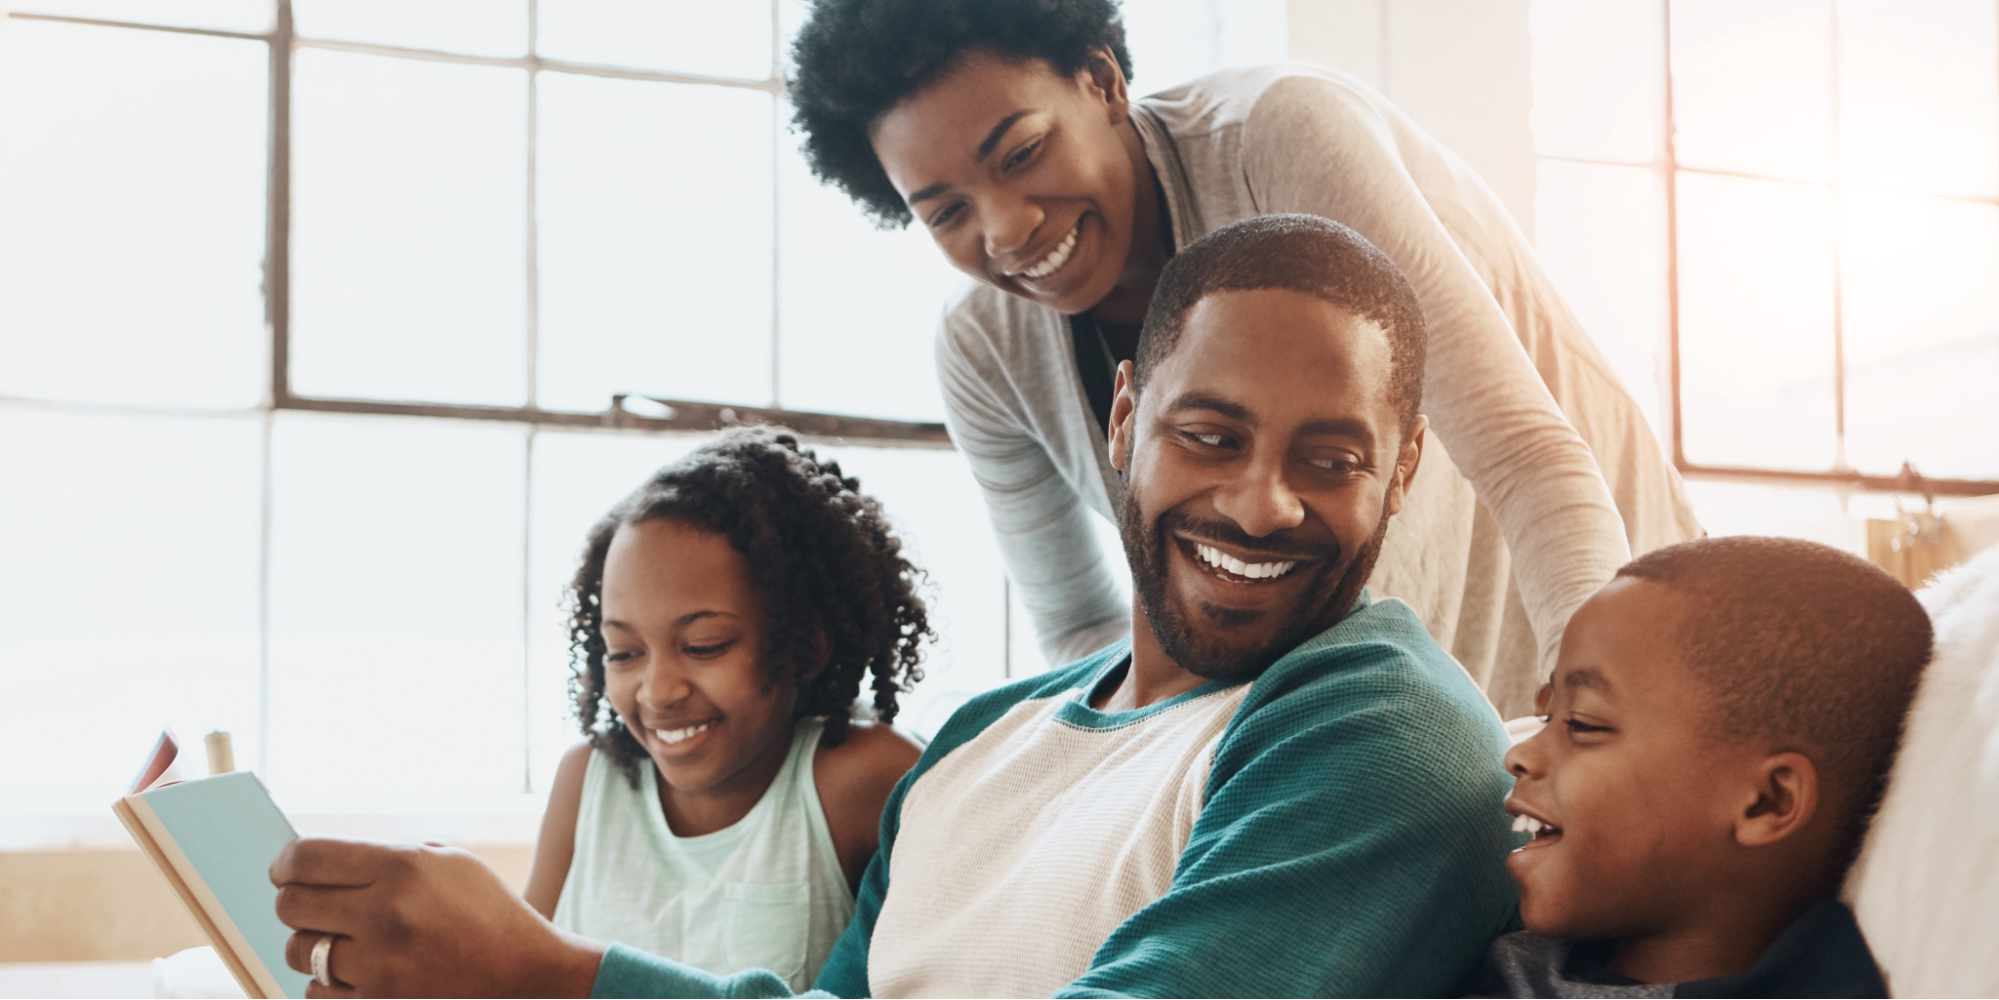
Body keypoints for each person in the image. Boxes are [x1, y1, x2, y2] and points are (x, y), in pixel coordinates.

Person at [270, 216, 1520, 999]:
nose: (1262, 505)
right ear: (1127, 418)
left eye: (1331, 459)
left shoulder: (1375, 719)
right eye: (1211, 434)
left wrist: (555, 979)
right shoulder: (982, 740)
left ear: (1401, 470)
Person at [788, 0, 1702, 715]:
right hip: (1362, 717)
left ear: (1102, 80)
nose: (1007, 228)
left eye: (1023, 152)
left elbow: (1523, 455)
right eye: (944, 211)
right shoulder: (983, 351)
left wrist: (1586, 714)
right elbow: (1081, 627)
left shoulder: (1281, 139)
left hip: (1591, 610)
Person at [521, 429, 929, 991]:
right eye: (625, 652)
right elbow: (518, 973)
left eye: (704, 645)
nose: (657, 691)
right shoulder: (587, 782)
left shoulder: (860, 780)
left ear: (806, 645)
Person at [1465, 537, 1932, 998]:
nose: (1518, 755)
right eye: (1547, 718)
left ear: (1766, 801)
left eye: (1583, 724)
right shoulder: (1507, 957)